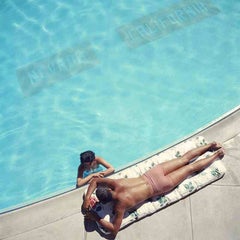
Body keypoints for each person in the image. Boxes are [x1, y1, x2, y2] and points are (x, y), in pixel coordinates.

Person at [82, 142, 224, 237]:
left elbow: (113, 231)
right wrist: (87, 198)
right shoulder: (115, 183)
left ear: (106, 202)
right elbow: (96, 181)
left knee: (190, 168)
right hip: (152, 173)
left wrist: (96, 218)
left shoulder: (120, 206)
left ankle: (217, 155)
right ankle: (211, 145)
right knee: (184, 159)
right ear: (107, 188)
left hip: (159, 186)